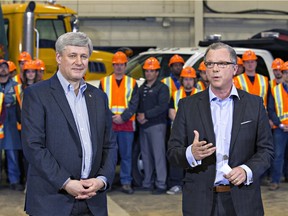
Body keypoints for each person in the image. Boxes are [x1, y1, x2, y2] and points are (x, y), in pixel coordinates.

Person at [167, 42, 274, 216]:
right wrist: (190, 154)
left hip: (243, 200)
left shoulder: (254, 105)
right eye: (210, 64)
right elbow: (172, 153)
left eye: (222, 64)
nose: (215, 69)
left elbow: (266, 151)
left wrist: (247, 171)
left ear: (234, 69)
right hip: (200, 202)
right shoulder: (187, 106)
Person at [21, 32, 117, 216]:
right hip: (51, 202)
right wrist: (65, 182)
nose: (79, 62)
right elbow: (33, 146)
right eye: (72, 55)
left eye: (84, 56)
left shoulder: (98, 97)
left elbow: (110, 144)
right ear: (58, 57)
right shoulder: (37, 95)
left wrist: (102, 180)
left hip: (92, 202)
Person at [99, 51, 138, 194]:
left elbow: (134, 104)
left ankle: (126, 182)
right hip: (110, 125)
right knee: (109, 156)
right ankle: (106, 182)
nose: (119, 67)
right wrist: (111, 116)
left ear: (126, 65)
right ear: (113, 65)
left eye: (121, 65)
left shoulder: (132, 83)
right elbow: (101, 102)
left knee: (126, 156)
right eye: (116, 65)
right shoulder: (104, 82)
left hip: (126, 124)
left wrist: (123, 117)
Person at [137, 57, 169, 194]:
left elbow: (162, 107)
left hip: (157, 126)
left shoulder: (162, 88)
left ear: (157, 72)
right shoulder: (142, 88)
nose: (148, 73)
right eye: (146, 71)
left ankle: (161, 184)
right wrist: (139, 115)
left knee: (159, 155)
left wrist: (146, 115)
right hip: (143, 126)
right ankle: (147, 182)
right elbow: (137, 104)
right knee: (146, 156)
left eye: (151, 71)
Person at [166, 66, 200, 195]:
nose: (188, 82)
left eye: (191, 79)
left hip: (195, 132)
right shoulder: (175, 94)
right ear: (182, 80)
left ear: (194, 80)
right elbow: (171, 112)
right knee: (178, 157)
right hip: (178, 132)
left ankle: (194, 184)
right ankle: (175, 184)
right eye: (185, 79)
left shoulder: (201, 92)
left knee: (196, 158)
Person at [0, 59, 23, 191]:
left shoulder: (16, 85)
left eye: (5, 67)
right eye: (1, 67)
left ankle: (14, 180)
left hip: (11, 122)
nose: (3, 69)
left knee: (12, 153)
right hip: (0, 120)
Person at [268, 61, 288, 191]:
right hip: (280, 129)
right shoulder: (275, 90)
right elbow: (271, 109)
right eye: (286, 72)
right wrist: (280, 124)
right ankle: (275, 180)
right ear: (283, 74)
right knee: (278, 155)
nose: (287, 75)